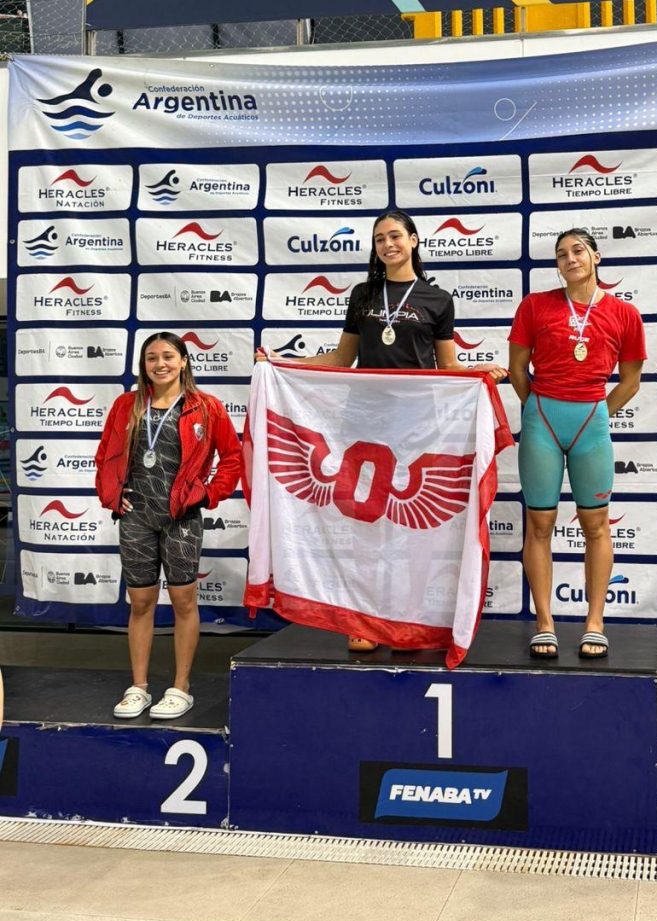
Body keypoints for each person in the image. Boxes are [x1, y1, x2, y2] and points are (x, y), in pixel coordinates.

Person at [259, 208, 506, 652]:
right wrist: (281, 363)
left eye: (395, 236)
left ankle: (404, 620)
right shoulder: (363, 295)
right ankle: (365, 622)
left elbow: (447, 367)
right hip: (365, 422)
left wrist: (479, 373)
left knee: (408, 529)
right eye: (379, 239)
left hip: (417, 426)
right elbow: (341, 359)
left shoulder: (437, 299)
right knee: (366, 522)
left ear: (413, 240)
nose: (388, 244)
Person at [507, 228, 645, 660]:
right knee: (539, 524)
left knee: (597, 524)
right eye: (562, 254)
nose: (570, 258)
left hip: (591, 422)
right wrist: (537, 411)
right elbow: (517, 370)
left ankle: (595, 623)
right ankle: (544, 623)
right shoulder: (535, 305)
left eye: (578, 250)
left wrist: (598, 413)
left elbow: (631, 380)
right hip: (543, 421)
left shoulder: (624, 313)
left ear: (596, 257)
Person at [95, 332, 242, 720]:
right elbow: (105, 455)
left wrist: (208, 494)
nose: (159, 364)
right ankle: (139, 687)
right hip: (136, 519)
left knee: (183, 602)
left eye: (167, 356)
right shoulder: (127, 405)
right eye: (151, 358)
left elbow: (232, 457)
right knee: (141, 603)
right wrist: (112, 495)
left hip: (182, 519)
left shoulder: (206, 407)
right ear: (143, 365)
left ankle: (181, 687)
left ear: (184, 361)